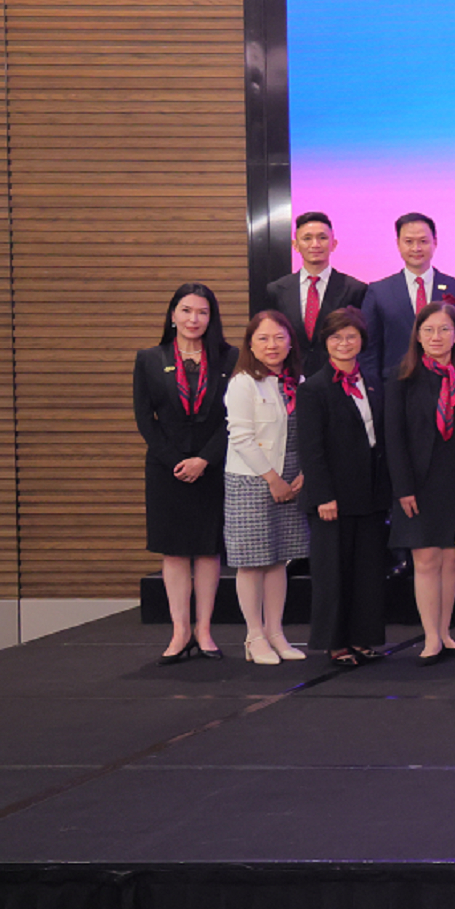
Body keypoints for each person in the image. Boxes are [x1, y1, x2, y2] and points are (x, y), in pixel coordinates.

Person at [137, 284, 232, 663]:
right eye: (187, 311)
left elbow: (234, 417)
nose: (194, 319)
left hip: (212, 465)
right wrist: (176, 459)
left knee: (208, 550)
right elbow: (145, 418)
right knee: (174, 551)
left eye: (202, 312)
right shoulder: (149, 358)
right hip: (167, 469)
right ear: (173, 315)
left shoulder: (229, 358)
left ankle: (204, 631)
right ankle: (180, 632)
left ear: (212, 317)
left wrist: (204, 459)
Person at [296, 309, 388, 668]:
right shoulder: (313, 388)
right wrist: (323, 495)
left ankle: (363, 637)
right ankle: (335, 642)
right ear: (326, 342)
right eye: (336, 337)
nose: (344, 343)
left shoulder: (373, 381)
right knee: (332, 573)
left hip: (369, 493)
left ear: (362, 340)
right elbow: (311, 448)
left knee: (367, 572)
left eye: (351, 336)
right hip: (331, 497)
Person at [382, 300, 455, 662]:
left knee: (452, 559)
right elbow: (393, 436)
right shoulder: (402, 377)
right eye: (428, 330)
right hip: (417, 481)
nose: (436, 337)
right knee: (427, 559)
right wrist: (403, 487)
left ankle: (446, 633)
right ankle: (430, 636)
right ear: (417, 335)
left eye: (445, 329)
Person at [224, 310, 309, 666]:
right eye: (263, 338)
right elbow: (241, 437)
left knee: (279, 559)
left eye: (279, 337)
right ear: (251, 344)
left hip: (291, 475)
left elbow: (307, 431)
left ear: (290, 343)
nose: (272, 345)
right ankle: (254, 636)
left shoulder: (297, 381)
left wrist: (303, 473)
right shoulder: (243, 382)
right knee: (252, 562)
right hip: (253, 477)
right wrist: (273, 479)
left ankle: (276, 633)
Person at [362, 212, 455, 375]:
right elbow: (369, 347)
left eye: (423, 241)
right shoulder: (379, 291)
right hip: (397, 381)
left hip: (448, 381)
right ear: (398, 244)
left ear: (435, 243)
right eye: (409, 242)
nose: (416, 248)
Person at [262, 211, 369, 377]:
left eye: (322, 238)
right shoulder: (277, 290)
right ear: (296, 245)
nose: (315, 244)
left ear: (333, 244)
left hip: (338, 378)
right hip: (290, 377)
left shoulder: (355, 289)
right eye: (307, 238)